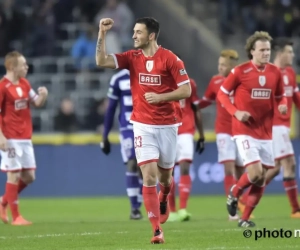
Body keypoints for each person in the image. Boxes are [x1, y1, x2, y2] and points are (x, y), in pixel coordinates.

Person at [95, 17, 191, 243]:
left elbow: (185, 90)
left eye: (138, 32)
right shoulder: (132, 57)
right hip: (141, 125)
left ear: (151, 35)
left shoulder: (170, 59)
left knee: (165, 178)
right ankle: (157, 230)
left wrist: (161, 97)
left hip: (168, 125)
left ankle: (164, 196)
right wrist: (102, 33)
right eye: (133, 32)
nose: (133, 36)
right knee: (148, 176)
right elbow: (101, 60)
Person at [217, 31, 287, 227]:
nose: (266, 53)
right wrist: (236, 112)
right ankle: (235, 193)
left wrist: (282, 104)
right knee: (255, 173)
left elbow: (281, 95)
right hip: (244, 130)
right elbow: (222, 95)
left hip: (265, 132)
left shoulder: (275, 72)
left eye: (268, 50)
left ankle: (245, 219)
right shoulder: (239, 71)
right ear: (252, 51)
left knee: (262, 177)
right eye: (262, 50)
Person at [239, 37, 300, 218]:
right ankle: (295, 209)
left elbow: (296, 98)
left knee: (273, 169)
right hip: (274, 126)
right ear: (280, 53)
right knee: (289, 163)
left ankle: (244, 200)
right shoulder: (269, 73)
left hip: (283, 127)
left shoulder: (289, 73)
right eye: (289, 52)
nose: (293, 55)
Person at [0, 51, 48, 225]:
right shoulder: (2, 87)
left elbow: (36, 102)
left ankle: (3, 201)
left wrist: (43, 95)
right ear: (12, 67)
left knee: (29, 177)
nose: (26, 67)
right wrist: (1, 137)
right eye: (23, 64)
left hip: (25, 137)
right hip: (10, 137)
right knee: (13, 174)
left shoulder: (25, 84)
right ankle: (16, 217)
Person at [199, 49, 244, 221]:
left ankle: (241, 202)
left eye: (223, 65)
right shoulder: (216, 81)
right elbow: (206, 100)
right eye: (219, 64)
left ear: (232, 67)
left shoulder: (242, 81)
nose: (219, 68)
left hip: (241, 131)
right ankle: (232, 211)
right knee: (228, 168)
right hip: (223, 132)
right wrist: (193, 105)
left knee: (241, 171)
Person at [101, 69, 143, 220]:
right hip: (127, 127)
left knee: (144, 167)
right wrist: (104, 136)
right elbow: (111, 108)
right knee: (132, 162)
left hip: (147, 125)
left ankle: (139, 203)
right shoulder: (118, 79)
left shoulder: (149, 74)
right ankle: (135, 208)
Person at [168, 71, 205, 222]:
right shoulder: (160, 83)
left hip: (186, 131)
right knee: (167, 172)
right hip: (168, 131)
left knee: (185, 167)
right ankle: (172, 211)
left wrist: (201, 135)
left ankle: (183, 209)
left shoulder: (190, 83)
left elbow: (196, 109)